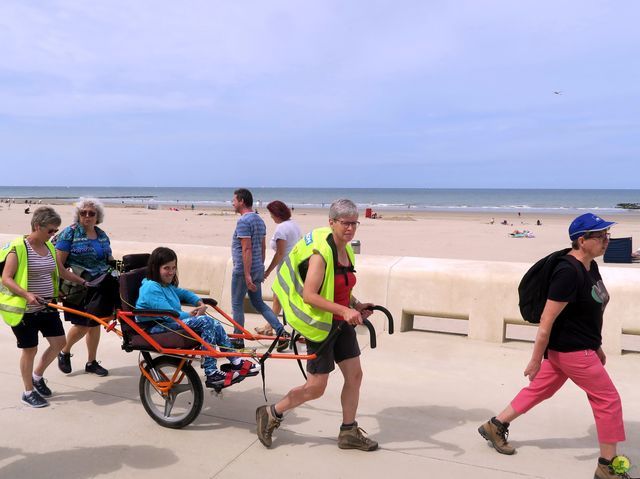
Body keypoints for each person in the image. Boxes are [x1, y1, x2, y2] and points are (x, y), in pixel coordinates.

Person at [478, 213, 633, 479]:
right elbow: (546, 322)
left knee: (540, 390)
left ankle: (496, 425)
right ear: (582, 240)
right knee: (608, 400)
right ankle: (607, 466)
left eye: (608, 235)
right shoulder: (567, 273)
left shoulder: (590, 266)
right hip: (572, 352)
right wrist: (536, 359)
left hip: (576, 348)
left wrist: (596, 344)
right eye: (601, 236)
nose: (607, 240)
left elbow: (588, 312)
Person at [256, 199, 378, 451]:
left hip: (340, 321)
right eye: (345, 223)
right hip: (319, 324)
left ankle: (348, 432)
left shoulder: (347, 249)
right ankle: (271, 413)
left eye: (354, 223)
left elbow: (339, 285)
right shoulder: (321, 254)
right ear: (331, 222)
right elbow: (310, 295)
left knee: (355, 375)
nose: (350, 229)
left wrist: (355, 305)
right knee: (316, 388)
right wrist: (344, 311)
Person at [135, 247, 259, 389]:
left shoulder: (165, 285)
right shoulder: (151, 287)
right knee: (206, 321)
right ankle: (211, 372)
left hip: (168, 321)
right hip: (155, 327)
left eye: (174, 268)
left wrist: (199, 302)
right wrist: (191, 314)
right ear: (155, 268)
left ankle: (236, 362)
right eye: (166, 268)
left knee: (214, 323)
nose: (171, 272)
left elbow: (183, 293)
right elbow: (167, 314)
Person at [0, 207, 86, 407]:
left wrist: (82, 282)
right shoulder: (18, 247)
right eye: (51, 230)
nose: (54, 234)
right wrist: (27, 294)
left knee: (58, 344)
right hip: (25, 310)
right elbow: (6, 278)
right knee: (30, 349)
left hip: (47, 306)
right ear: (37, 226)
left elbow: (61, 271)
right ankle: (27, 391)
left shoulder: (49, 247)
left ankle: (37, 377)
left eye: (56, 230)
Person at [55, 198, 120, 377]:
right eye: (83, 213)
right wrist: (80, 281)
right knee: (84, 324)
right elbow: (58, 265)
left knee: (96, 323)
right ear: (78, 215)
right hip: (77, 286)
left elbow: (110, 259)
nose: (87, 216)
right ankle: (64, 351)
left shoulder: (101, 234)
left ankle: (91, 362)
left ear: (98, 216)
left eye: (92, 213)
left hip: (100, 285)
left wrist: (119, 273)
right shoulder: (69, 233)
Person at [230, 188, 286, 349]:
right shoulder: (259, 220)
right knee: (258, 303)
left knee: (237, 305)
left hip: (243, 270)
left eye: (234, 200)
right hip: (255, 268)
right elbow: (262, 247)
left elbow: (246, 248)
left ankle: (237, 339)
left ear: (241, 201)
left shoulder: (243, 221)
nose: (232, 203)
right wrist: (259, 268)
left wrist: (247, 275)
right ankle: (281, 332)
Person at [254, 200, 302, 336]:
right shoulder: (294, 225)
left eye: (271, 214)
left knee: (278, 297)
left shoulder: (281, 228)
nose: (271, 217)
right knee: (279, 298)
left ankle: (270, 326)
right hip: (294, 266)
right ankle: (269, 326)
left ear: (276, 214)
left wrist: (267, 271)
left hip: (285, 268)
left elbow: (280, 253)